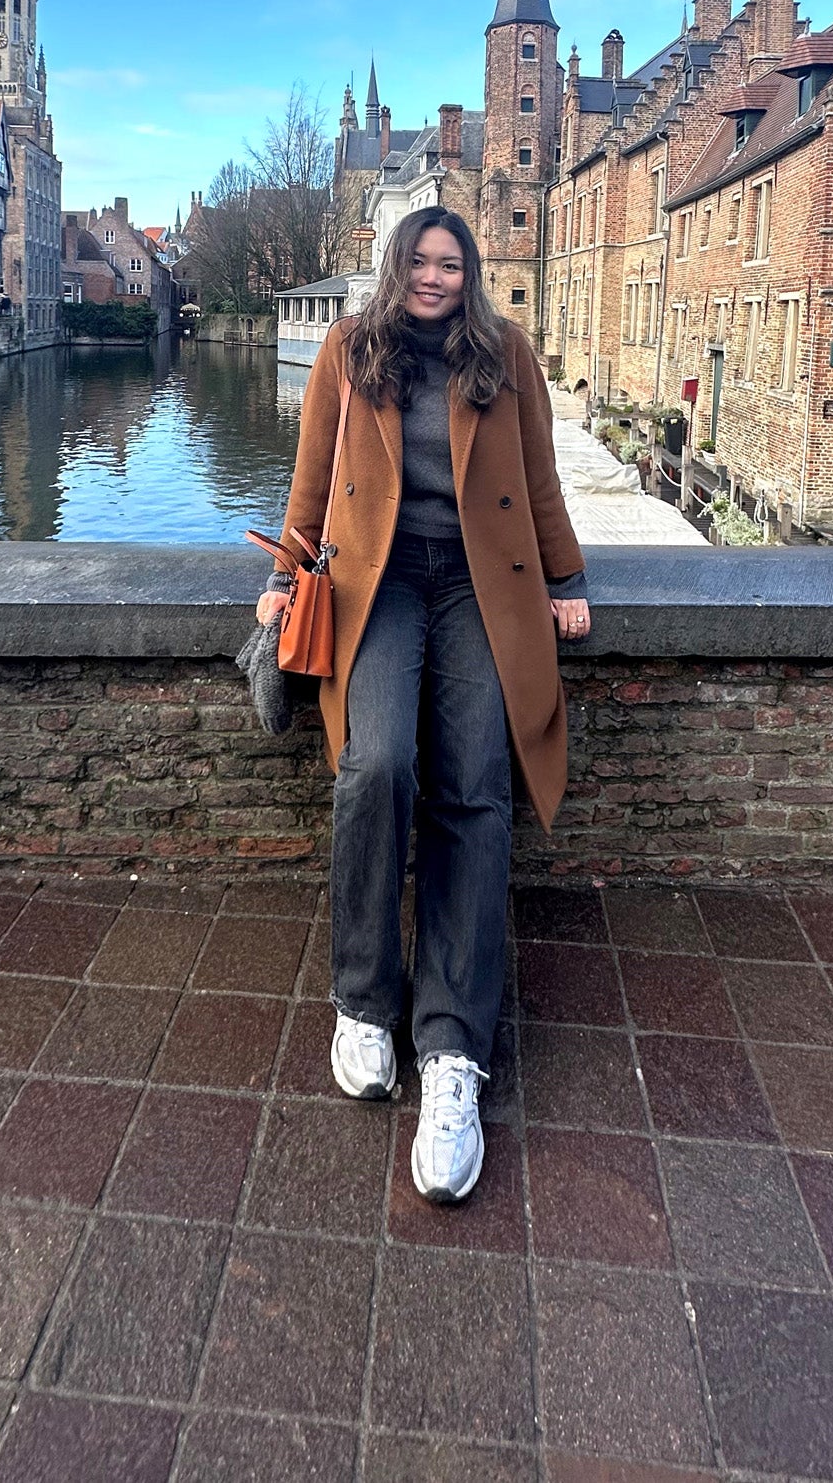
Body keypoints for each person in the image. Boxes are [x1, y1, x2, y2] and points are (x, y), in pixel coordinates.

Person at [257, 207, 588, 1205]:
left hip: (480, 582)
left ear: (468, 273)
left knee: (476, 783)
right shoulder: (349, 350)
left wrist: (565, 574)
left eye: (452, 263)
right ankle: (363, 1000)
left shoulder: (505, 354)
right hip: (379, 583)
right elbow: (311, 477)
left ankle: (452, 1048)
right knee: (377, 763)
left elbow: (535, 473)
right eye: (421, 260)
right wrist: (282, 573)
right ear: (393, 264)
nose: (436, 277)